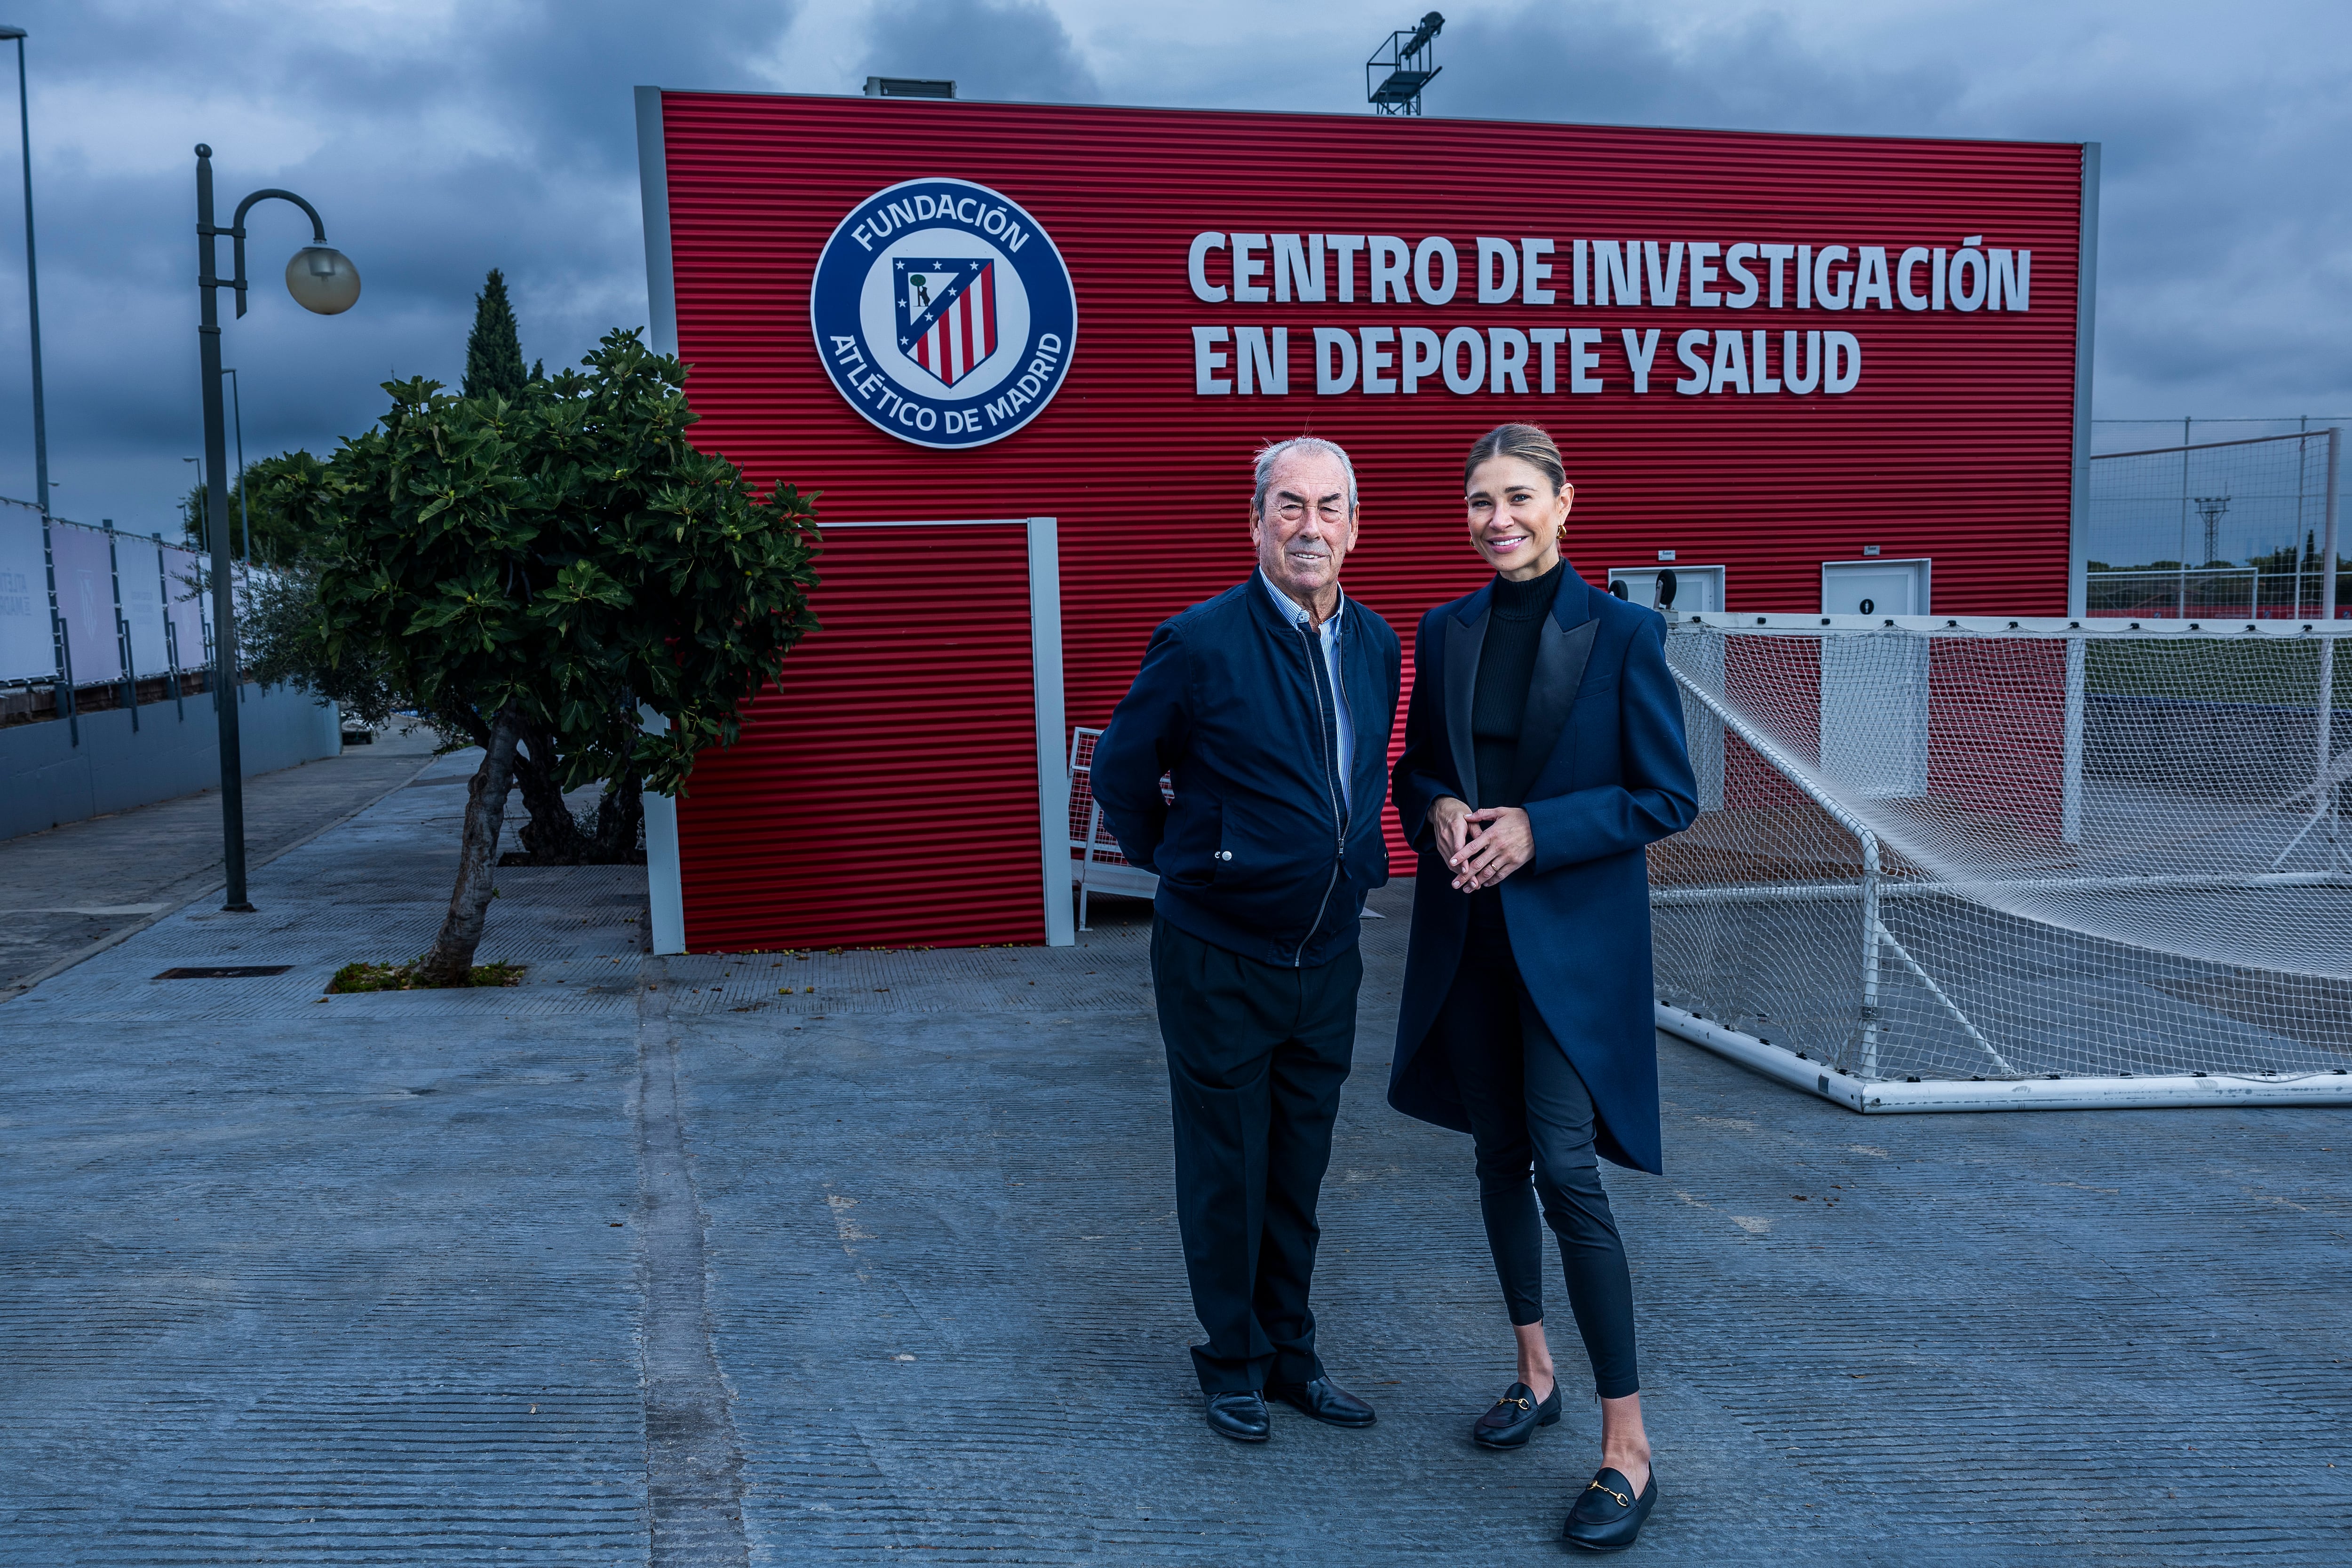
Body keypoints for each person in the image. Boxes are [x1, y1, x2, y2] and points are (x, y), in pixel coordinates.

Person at [1388, 423, 1698, 1552]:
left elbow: (1667, 795)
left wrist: (1538, 829)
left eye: (1518, 496)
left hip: (1570, 948)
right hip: (1467, 933)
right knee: (1495, 1155)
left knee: (1567, 1166)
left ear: (1566, 501)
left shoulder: (1622, 631)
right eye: (1478, 501)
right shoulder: (1446, 626)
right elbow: (1417, 764)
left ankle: (1628, 1445)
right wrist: (1437, 808)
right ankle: (1534, 1372)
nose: (1496, 518)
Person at [1093, 436, 1403, 1444]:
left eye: (1328, 507)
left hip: (1328, 953)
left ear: (1354, 526)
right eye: (1288, 506)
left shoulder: (1376, 644)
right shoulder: (1198, 641)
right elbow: (1123, 778)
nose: (1308, 526)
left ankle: (1293, 1355)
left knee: (1298, 1168)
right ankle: (1231, 1361)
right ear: (1257, 520)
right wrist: (1192, 863)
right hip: (1218, 955)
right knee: (1229, 1167)